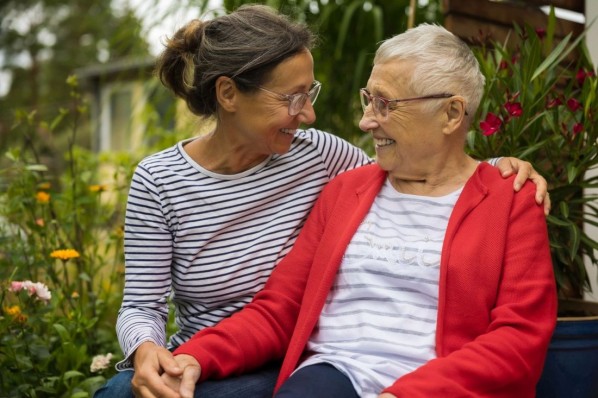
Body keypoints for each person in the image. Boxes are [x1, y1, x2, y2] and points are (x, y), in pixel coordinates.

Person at [94, 6, 550, 398]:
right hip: (326, 373)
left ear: (451, 112)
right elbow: (278, 309)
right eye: (368, 99)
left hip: (432, 383)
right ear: (228, 95)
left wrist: (498, 169)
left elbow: (518, 336)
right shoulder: (347, 189)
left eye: (384, 104)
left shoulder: (507, 199)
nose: (365, 120)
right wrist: (192, 356)